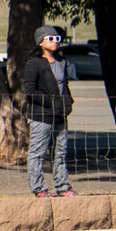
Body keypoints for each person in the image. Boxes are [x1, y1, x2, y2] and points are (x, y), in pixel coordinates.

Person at [24, 24, 75, 196]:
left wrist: (68, 102)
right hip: (41, 116)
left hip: (60, 114)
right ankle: (38, 188)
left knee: (60, 152)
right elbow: (30, 91)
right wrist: (51, 102)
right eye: (51, 39)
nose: (55, 42)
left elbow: (64, 85)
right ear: (41, 42)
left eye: (57, 39)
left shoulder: (61, 61)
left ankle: (62, 187)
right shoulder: (34, 63)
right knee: (37, 153)